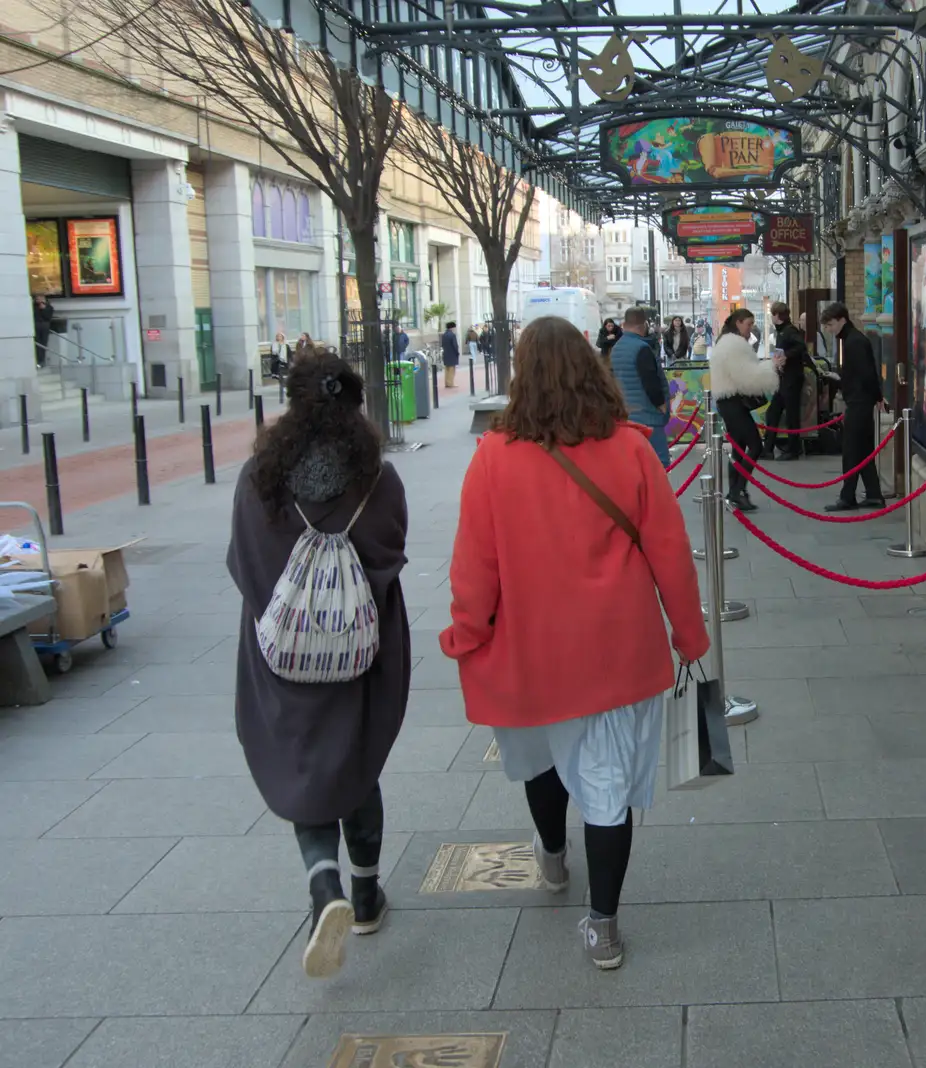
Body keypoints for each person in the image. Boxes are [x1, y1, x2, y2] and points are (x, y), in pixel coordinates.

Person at [441, 316, 709, 971]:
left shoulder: (493, 460)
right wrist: (690, 634)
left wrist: (465, 635)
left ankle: (554, 858)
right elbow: (670, 553)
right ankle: (604, 926)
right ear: (592, 369)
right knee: (606, 783)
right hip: (616, 650)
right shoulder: (631, 449)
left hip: (529, 656)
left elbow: (474, 569)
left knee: (539, 760)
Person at [226, 352, 411, 980]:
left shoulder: (260, 479)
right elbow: (390, 554)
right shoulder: (377, 479)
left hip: (284, 655)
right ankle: (365, 896)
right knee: (355, 759)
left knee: (303, 761)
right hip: (360, 653)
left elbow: (245, 567)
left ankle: (322, 883)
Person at [708, 309, 777, 512]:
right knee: (754, 446)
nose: (751, 328)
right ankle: (737, 491)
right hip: (733, 402)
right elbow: (748, 377)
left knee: (739, 448)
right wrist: (772, 366)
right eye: (748, 324)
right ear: (738, 323)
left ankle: (735, 491)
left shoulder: (726, 342)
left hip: (727, 401)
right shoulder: (734, 345)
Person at [819, 302, 885, 511]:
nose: (829, 330)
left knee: (851, 450)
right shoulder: (851, 340)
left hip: (859, 402)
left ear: (841, 320)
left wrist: (877, 396)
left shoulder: (854, 341)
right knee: (863, 450)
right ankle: (874, 494)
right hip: (860, 400)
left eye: (830, 325)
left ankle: (847, 497)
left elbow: (867, 374)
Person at [610, 306, 672, 465]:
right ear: (644, 324)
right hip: (648, 416)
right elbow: (650, 380)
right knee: (659, 463)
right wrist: (662, 405)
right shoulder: (642, 348)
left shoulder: (616, 348)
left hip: (627, 416)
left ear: (624, 324)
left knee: (635, 465)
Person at [762, 302, 812, 460]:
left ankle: (793, 449)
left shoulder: (789, 331)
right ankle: (768, 448)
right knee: (774, 412)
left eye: (772, 314)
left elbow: (801, 347)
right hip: (784, 378)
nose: (771, 317)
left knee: (791, 414)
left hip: (791, 379)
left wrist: (786, 356)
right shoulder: (782, 331)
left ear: (777, 315)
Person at [33, 295, 54, 369]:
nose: (39, 300)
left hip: (44, 327)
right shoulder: (33, 307)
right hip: (36, 326)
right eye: (37, 299)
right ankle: (38, 360)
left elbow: (48, 317)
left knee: (43, 344)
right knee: (37, 344)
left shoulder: (49, 307)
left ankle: (42, 360)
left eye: (41, 299)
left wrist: (44, 309)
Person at [441, 321, 460, 389]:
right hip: (452, 354)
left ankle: (447, 382)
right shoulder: (452, 335)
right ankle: (451, 383)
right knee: (452, 369)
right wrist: (457, 352)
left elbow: (442, 344)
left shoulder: (444, 335)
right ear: (452, 327)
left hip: (446, 353)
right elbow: (455, 345)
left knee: (447, 369)